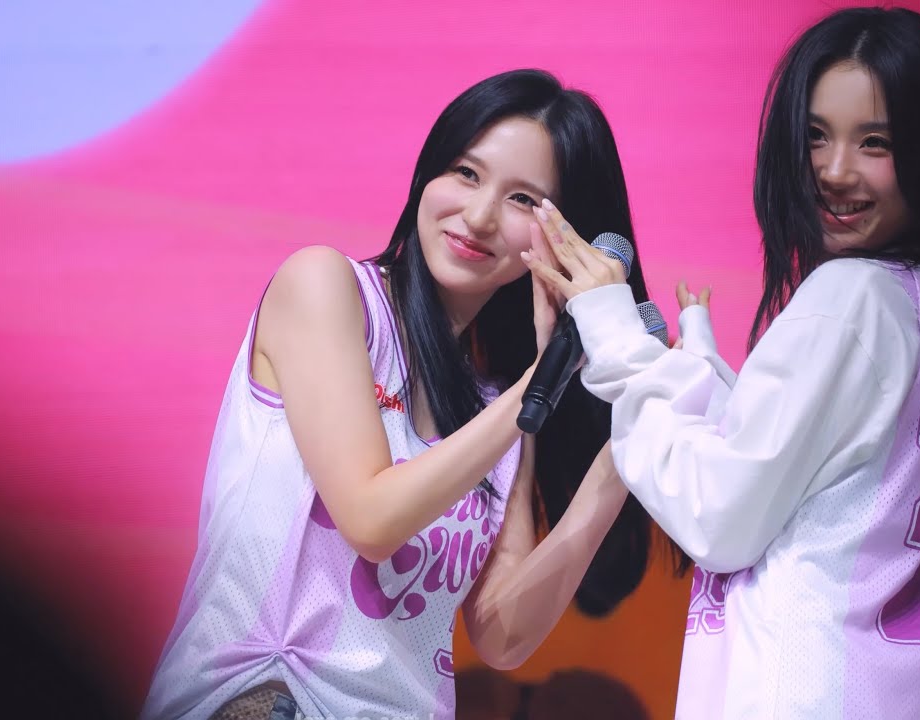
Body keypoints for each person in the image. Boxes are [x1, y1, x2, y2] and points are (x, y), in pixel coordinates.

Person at [141, 68, 685, 720]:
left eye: (522, 200)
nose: (478, 216)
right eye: (466, 173)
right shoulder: (326, 287)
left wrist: (625, 444)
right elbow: (372, 518)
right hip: (267, 699)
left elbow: (503, 635)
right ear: (429, 172)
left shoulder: (501, 399)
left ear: (564, 239)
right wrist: (539, 384)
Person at [523, 7, 920, 718]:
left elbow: (719, 516)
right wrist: (695, 369)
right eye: (815, 135)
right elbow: (789, 478)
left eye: (875, 142)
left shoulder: (850, 300)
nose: (834, 171)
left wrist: (614, 333)